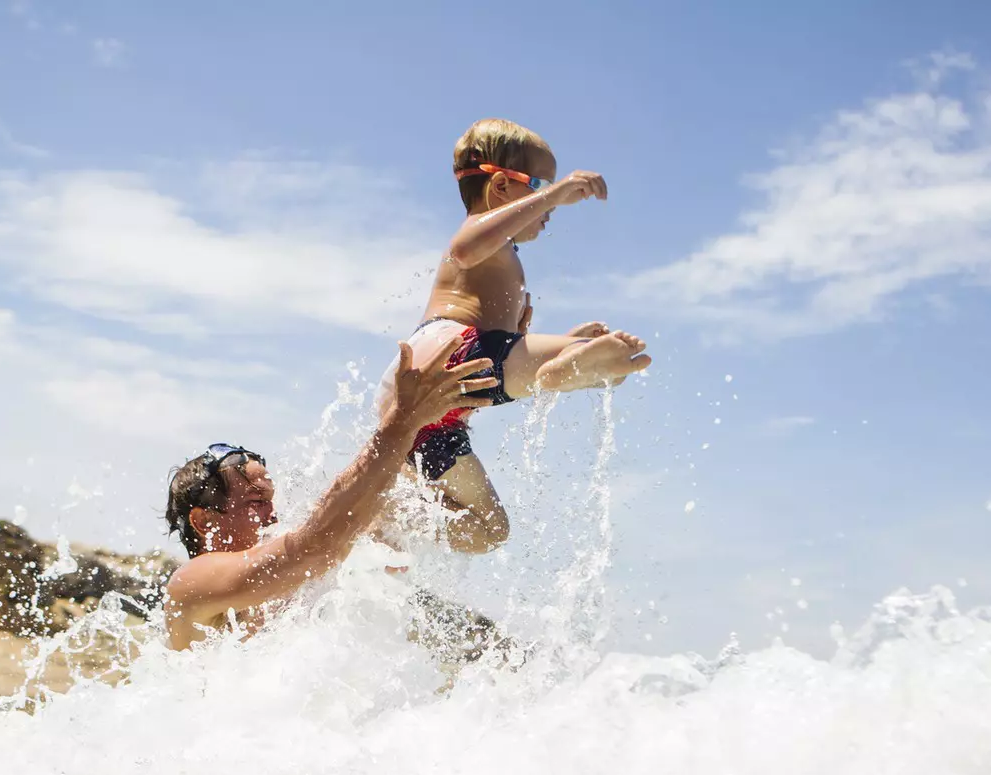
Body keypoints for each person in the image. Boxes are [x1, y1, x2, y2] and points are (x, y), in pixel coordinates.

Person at [382, 117, 654, 554]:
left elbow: (501, 352)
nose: (548, 206)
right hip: (444, 356)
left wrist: (565, 341)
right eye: (539, 185)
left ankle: (390, 520)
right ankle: (558, 370)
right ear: (502, 188)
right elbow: (466, 249)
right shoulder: (478, 236)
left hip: (438, 419)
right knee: (598, 365)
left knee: (489, 530)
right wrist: (558, 193)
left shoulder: (505, 255)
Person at [162, 335, 494, 651]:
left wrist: (487, 346)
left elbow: (482, 529)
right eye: (256, 502)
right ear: (204, 520)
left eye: (270, 501)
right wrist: (403, 420)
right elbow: (315, 548)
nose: (272, 515)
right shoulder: (190, 586)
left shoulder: (278, 586)